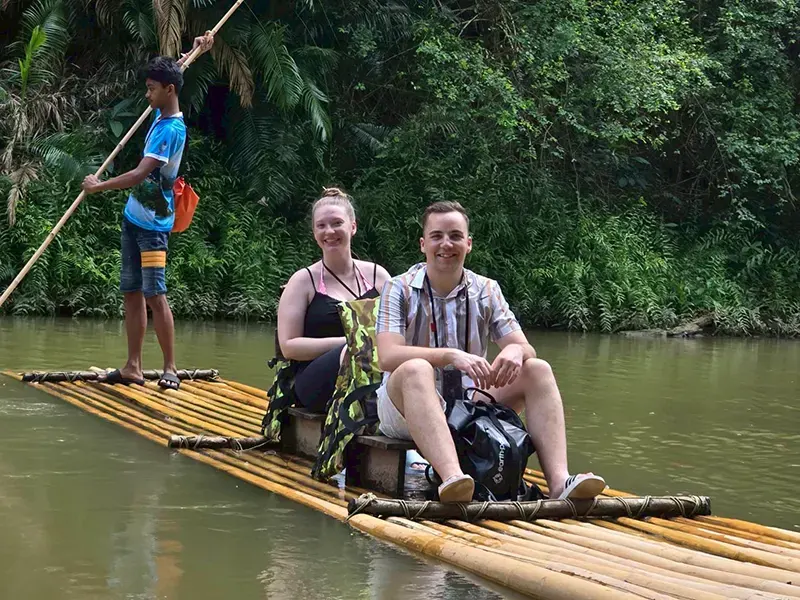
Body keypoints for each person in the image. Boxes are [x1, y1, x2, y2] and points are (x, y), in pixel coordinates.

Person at [375, 201, 607, 502]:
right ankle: (453, 478)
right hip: (404, 406)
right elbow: (388, 356)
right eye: (437, 236)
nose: (446, 244)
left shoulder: (486, 289)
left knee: (537, 368)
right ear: (423, 244)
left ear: (468, 244)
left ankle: (560, 482)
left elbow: (525, 346)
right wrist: (449, 355)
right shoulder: (398, 287)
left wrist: (516, 352)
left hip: (468, 402)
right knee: (417, 367)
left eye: (455, 236)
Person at [81, 32, 215, 390]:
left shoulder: (170, 131)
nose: (147, 94)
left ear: (168, 91)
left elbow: (140, 174)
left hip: (154, 225)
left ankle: (170, 368)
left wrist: (98, 186)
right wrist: (198, 49)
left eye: (152, 89)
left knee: (155, 294)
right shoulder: (161, 110)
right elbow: (178, 69)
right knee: (131, 292)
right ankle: (133, 367)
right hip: (133, 218)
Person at [276, 188, 392, 414]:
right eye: (321, 225)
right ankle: (372, 410)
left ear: (353, 227)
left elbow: (399, 330)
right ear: (314, 232)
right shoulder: (303, 281)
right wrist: (350, 343)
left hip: (376, 372)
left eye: (337, 223)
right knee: (348, 353)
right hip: (314, 381)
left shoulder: (379, 276)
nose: (329, 231)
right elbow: (288, 347)